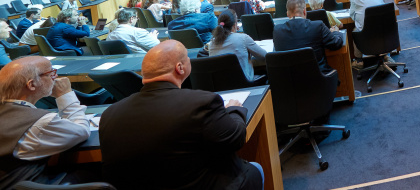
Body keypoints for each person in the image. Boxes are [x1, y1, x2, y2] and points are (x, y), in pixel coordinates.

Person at [99, 41, 264, 190]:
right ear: (180, 68)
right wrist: (234, 109)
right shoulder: (202, 103)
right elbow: (236, 138)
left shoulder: (109, 115)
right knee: (256, 169)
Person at [0, 56, 91, 188]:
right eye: (51, 73)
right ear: (31, 84)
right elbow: (82, 130)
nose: (56, 76)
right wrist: (65, 94)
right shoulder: (38, 123)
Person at [273, 0, 343, 75]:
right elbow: (335, 44)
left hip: (290, 82)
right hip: (319, 79)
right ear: (304, 11)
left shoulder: (277, 30)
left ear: (287, 14)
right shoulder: (317, 25)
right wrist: (336, 32)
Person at [208, 11, 267, 81]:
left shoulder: (211, 44)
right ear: (234, 25)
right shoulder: (243, 38)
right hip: (245, 84)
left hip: (222, 86)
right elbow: (265, 56)